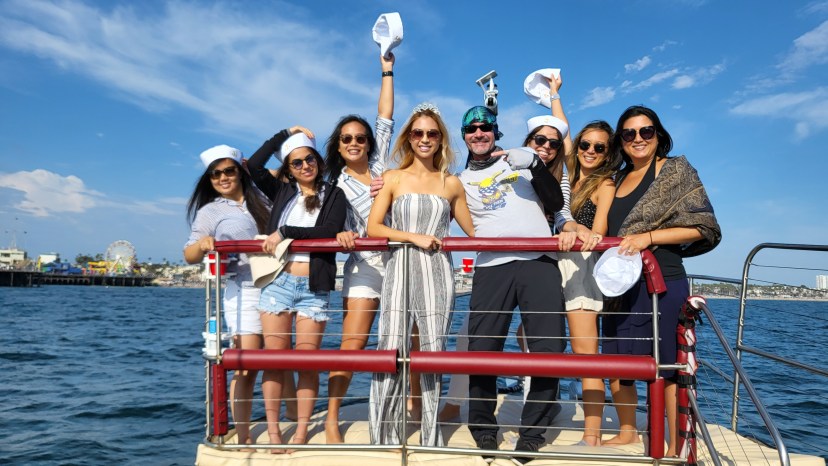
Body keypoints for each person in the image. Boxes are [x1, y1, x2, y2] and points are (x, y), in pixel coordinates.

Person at [602, 105, 720, 456]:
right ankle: (627, 432)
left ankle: (672, 446)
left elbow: (703, 226)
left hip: (663, 281)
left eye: (646, 131)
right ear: (620, 141)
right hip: (620, 284)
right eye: (629, 134)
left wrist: (649, 237)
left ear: (658, 134)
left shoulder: (675, 171)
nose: (638, 139)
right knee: (620, 362)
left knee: (666, 366)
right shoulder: (616, 180)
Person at [458, 105, 566, 463]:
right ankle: (483, 430)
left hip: (539, 264)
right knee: (483, 350)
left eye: (485, 127)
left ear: (495, 132)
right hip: (492, 268)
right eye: (471, 129)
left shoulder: (518, 163)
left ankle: (532, 434)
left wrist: (534, 164)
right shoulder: (458, 181)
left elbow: (556, 202)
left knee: (548, 352)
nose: (478, 133)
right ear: (464, 136)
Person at [367, 102, 475, 447]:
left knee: (432, 350)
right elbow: (373, 227)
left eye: (432, 133)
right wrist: (413, 237)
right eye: (418, 132)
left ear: (441, 139)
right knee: (390, 346)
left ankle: (430, 434)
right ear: (409, 138)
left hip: (438, 273)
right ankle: (382, 433)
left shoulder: (451, 182)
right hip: (399, 267)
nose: (425, 138)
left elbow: (475, 232)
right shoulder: (393, 178)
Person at [246, 127, 347, 453]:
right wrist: (285, 133)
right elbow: (255, 166)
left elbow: (329, 230)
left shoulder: (334, 194)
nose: (305, 166)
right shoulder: (283, 192)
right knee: (274, 362)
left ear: (318, 160)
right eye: (296, 163)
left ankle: (302, 431)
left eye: (309, 159)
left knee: (307, 363)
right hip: (278, 283)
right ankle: (274, 432)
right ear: (289, 169)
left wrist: (285, 231)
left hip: (313, 286)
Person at [323, 53, 396, 444]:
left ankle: (411, 410)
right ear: (339, 145)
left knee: (406, 341)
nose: (354, 143)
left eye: (360, 138)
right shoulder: (332, 183)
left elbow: (385, 113)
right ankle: (333, 417)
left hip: (400, 262)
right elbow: (325, 224)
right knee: (354, 342)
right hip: (364, 265)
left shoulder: (384, 162)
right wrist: (339, 236)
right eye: (347, 138)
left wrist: (387, 67)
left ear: (369, 143)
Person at [183, 144, 271, 448]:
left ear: (240, 171)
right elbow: (189, 254)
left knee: (277, 360)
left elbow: (285, 170)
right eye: (216, 174)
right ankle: (244, 434)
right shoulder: (211, 211)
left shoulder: (263, 196)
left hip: (276, 285)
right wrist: (205, 243)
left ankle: (278, 429)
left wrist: (288, 134)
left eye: (228, 170)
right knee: (247, 365)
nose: (222, 177)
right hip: (243, 290)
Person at [561, 120, 618, 446]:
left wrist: (578, 231)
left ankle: (592, 434)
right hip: (554, 268)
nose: (591, 152)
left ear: (607, 152)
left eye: (600, 147)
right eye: (586, 145)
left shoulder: (604, 183)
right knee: (535, 338)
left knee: (586, 354)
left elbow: (598, 230)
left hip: (582, 271)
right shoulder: (567, 178)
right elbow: (565, 136)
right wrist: (554, 94)